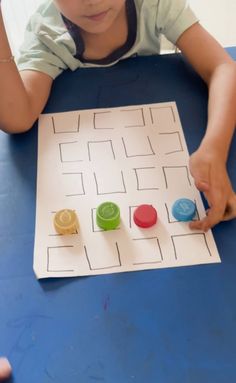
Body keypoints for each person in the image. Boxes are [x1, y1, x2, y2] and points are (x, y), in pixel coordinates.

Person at [0, 0, 236, 231]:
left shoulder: (155, 5)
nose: (92, 2)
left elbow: (223, 68)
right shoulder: (47, 34)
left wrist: (214, 149)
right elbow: (17, 118)